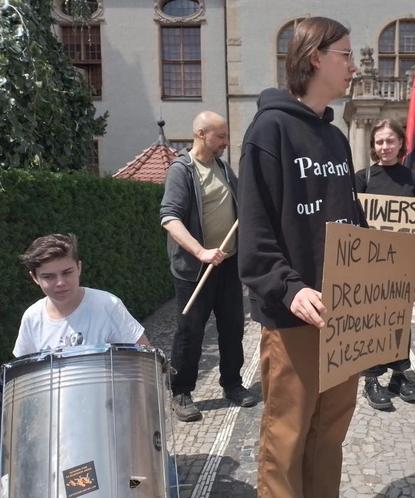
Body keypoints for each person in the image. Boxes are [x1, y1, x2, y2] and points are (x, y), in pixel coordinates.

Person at [238, 17, 365, 498]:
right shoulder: (268, 131)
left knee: (330, 435)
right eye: (346, 54)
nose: (354, 65)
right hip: (295, 318)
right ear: (316, 57)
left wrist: (387, 271)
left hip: (344, 315)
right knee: (286, 440)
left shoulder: (334, 138)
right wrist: (290, 288)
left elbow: (349, 218)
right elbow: (255, 236)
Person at [160, 111, 257, 423]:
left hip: (226, 264)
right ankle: (181, 391)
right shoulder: (182, 171)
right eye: (220, 136)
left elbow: (244, 200)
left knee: (232, 328)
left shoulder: (223, 168)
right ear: (201, 134)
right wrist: (201, 251)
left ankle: (232, 383)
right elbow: (170, 219)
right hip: (194, 269)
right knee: (190, 331)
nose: (225, 143)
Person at [355, 119, 415, 410]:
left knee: (399, 319)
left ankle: (399, 372)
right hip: (369, 264)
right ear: (373, 146)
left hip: (402, 264)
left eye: (390, 141)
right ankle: (371, 377)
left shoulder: (414, 179)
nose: (385, 147)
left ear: (400, 144)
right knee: (371, 319)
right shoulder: (363, 178)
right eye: (380, 142)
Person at [13, 233, 149, 357]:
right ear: (35, 278)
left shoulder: (107, 305)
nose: (60, 282)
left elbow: (146, 358)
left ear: (79, 268)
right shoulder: (32, 317)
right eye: (48, 277)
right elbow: (23, 373)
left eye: (67, 272)